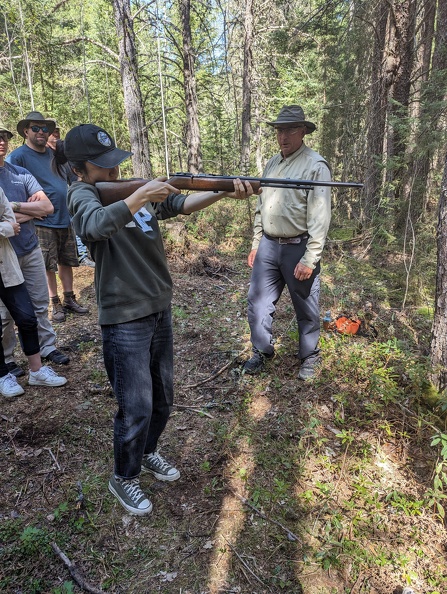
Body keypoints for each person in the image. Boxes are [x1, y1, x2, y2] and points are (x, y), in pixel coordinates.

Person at [64, 124, 257, 516]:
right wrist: (141, 195)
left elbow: (180, 204)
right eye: (102, 165)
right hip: (124, 316)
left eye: (114, 162)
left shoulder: (131, 191)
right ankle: (124, 476)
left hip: (158, 307)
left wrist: (223, 190)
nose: (114, 170)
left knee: (162, 397)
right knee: (135, 405)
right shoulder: (81, 193)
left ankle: (147, 451)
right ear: (79, 168)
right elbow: (94, 226)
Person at [243, 105, 332, 380]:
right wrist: (256, 242)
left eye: (290, 130)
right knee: (258, 302)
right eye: (280, 130)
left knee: (305, 305)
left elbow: (320, 216)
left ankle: (309, 356)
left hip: (298, 246)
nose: (283, 136)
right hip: (269, 245)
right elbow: (261, 207)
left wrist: (310, 257)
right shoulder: (272, 163)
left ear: (303, 131)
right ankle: (261, 350)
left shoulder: (315, 166)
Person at [7, 111, 89, 323]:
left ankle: (69, 298)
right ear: (26, 131)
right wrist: (28, 210)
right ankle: (55, 303)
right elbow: (10, 186)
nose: (41, 132)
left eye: (45, 128)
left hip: (64, 216)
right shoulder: (18, 156)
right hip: (41, 221)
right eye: (35, 128)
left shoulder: (55, 155)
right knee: (46, 264)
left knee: (66, 260)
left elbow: (72, 178)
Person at [0, 123, 69, 373]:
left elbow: (47, 208)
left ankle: (46, 347)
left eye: (4, 137)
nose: (1, 141)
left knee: (40, 303)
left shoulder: (19, 173)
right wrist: (30, 212)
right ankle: (7, 358)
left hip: (29, 249)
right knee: (5, 313)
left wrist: (12, 208)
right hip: (3, 256)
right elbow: (32, 213)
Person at [0, 186, 67, 397]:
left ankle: (36, 372)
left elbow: (12, 223)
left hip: (7, 266)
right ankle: (3, 376)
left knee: (27, 318)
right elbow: (9, 226)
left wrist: (8, 225)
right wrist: (6, 227)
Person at [46, 120, 95, 268]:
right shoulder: (44, 155)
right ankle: (78, 256)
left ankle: (84, 254)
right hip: (50, 204)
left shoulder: (65, 152)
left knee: (77, 223)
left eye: (57, 132)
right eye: (53, 133)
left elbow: (74, 177)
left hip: (69, 198)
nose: (56, 135)